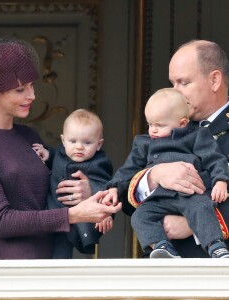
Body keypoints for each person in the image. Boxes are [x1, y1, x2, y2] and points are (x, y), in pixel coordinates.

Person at [0, 37, 121, 260]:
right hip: (15, 270)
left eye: (31, 85)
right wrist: (71, 215)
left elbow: (56, 191)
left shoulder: (28, 136)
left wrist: (88, 192)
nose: (32, 95)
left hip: (58, 262)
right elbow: (0, 222)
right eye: (20, 89)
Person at [124, 39, 229, 258]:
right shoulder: (166, 124)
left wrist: (194, 224)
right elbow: (124, 196)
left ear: (215, 80)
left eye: (183, 82)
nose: (175, 92)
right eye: (173, 83)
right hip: (162, 277)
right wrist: (154, 176)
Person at [104, 88, 229, 258]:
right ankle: (161, 246)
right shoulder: (144, 143)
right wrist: (114, 188)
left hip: (190, 195)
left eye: (160, 125)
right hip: (159, 198)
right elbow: (129, 168)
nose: (153, 130)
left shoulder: (197, 135)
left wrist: (221, 180)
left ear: (182, 123)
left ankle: (216, 246)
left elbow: (214, 159)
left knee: (202, 207)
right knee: (139, 217)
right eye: (150, 124)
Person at [33, 109, 114, 258]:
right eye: (73, 141)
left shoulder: (98, 163)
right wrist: (48, 154)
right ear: (63, 140)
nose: (79, 147)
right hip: (50, 212)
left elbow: (106, 187)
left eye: (87, 142)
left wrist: (106, 211)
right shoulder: (61, 153)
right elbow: (56, 158)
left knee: (61, 257)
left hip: (73, 224)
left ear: (98, 144)